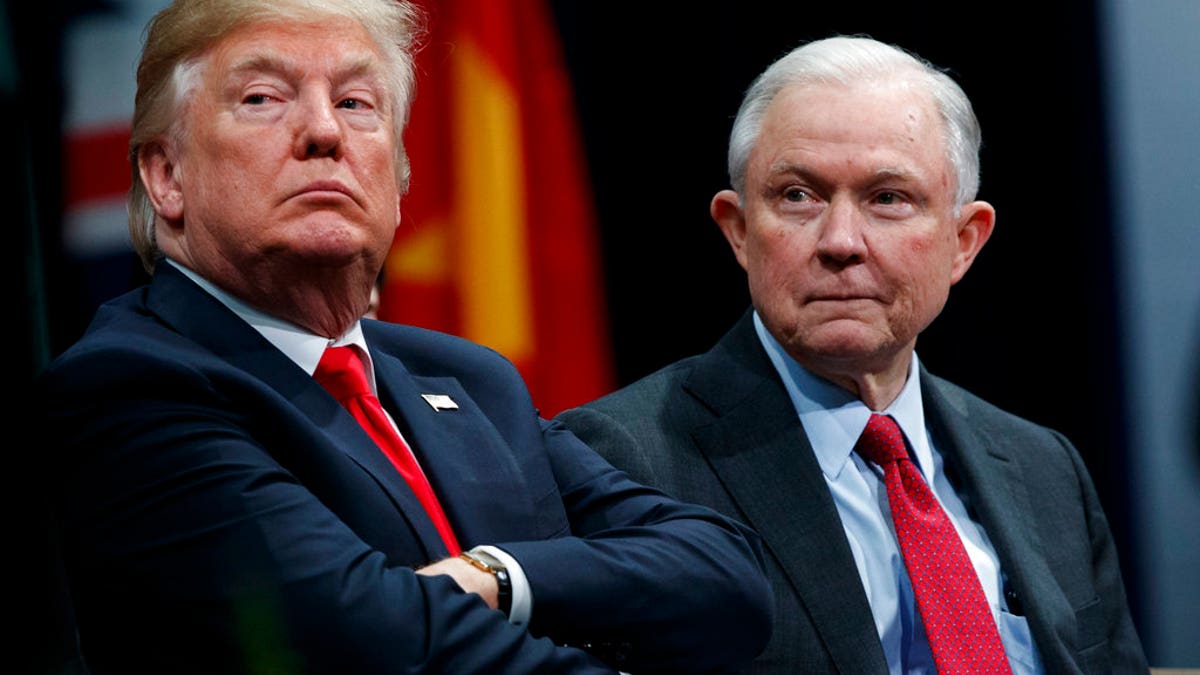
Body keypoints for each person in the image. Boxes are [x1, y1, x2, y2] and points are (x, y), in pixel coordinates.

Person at [34, 0, 774, 672]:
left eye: (357, 103)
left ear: (400, 181)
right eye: (262, 99)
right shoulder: (130, 384)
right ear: (166, 176)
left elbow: (726, 574)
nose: (324, 131)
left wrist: (496, 575)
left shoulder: (469, 379)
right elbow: (371, 637)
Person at [556, 35, 1148, 674]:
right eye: (797, 196)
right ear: (740, 231)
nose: (840, 241)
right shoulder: (618, 458)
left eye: (888, 198)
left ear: (963, 242)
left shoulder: (1045, 469)